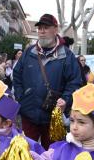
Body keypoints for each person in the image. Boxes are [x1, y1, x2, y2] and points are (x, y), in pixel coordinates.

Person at [12, 13, 81, 149]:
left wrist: (66, 100)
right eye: (40, 28)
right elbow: (17, 75)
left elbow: (74, 82)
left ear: (55, 29)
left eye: (46, 27)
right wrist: (21, 97)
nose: (42, 31)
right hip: (29, 113)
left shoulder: (67, 55)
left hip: (53, 116)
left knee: (52, 156)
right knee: (25, 154)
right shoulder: (29, 52)